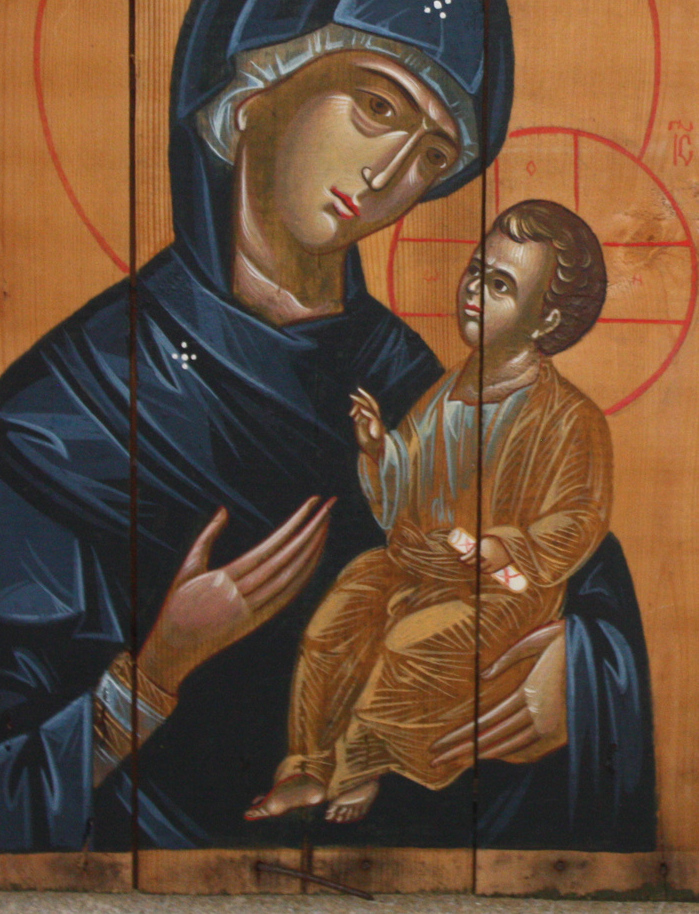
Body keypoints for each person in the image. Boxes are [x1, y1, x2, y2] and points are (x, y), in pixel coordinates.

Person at [0, 0, 654, 854]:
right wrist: (158, 666)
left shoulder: (414, 377)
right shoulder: (61, 416)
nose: (393, 174)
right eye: (374, 104)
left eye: (433, 151)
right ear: (250, 92)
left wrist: (580, 672)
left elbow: (582, 574)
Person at [249, 200, 612, 825]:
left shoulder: (569, 418)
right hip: (423, 563)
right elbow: (409, 483)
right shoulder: (449, 391)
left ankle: (362, 764)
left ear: (546, 316)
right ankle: (308, 765)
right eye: (477, 271)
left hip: (505, 585)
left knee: (412, 643)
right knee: (334, 623)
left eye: (500, 285)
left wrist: (504, 547)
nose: (475, 290)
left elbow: (577, 518)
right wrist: (379, 450)